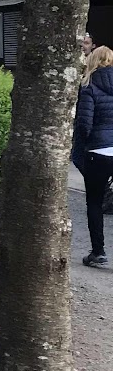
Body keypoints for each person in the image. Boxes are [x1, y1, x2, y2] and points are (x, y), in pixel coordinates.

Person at [72, 45, 113, 267]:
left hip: (97, 151)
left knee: (95, 203)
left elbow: (84, 124)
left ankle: (98, 252)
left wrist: (86, 143)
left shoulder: (89, 85)